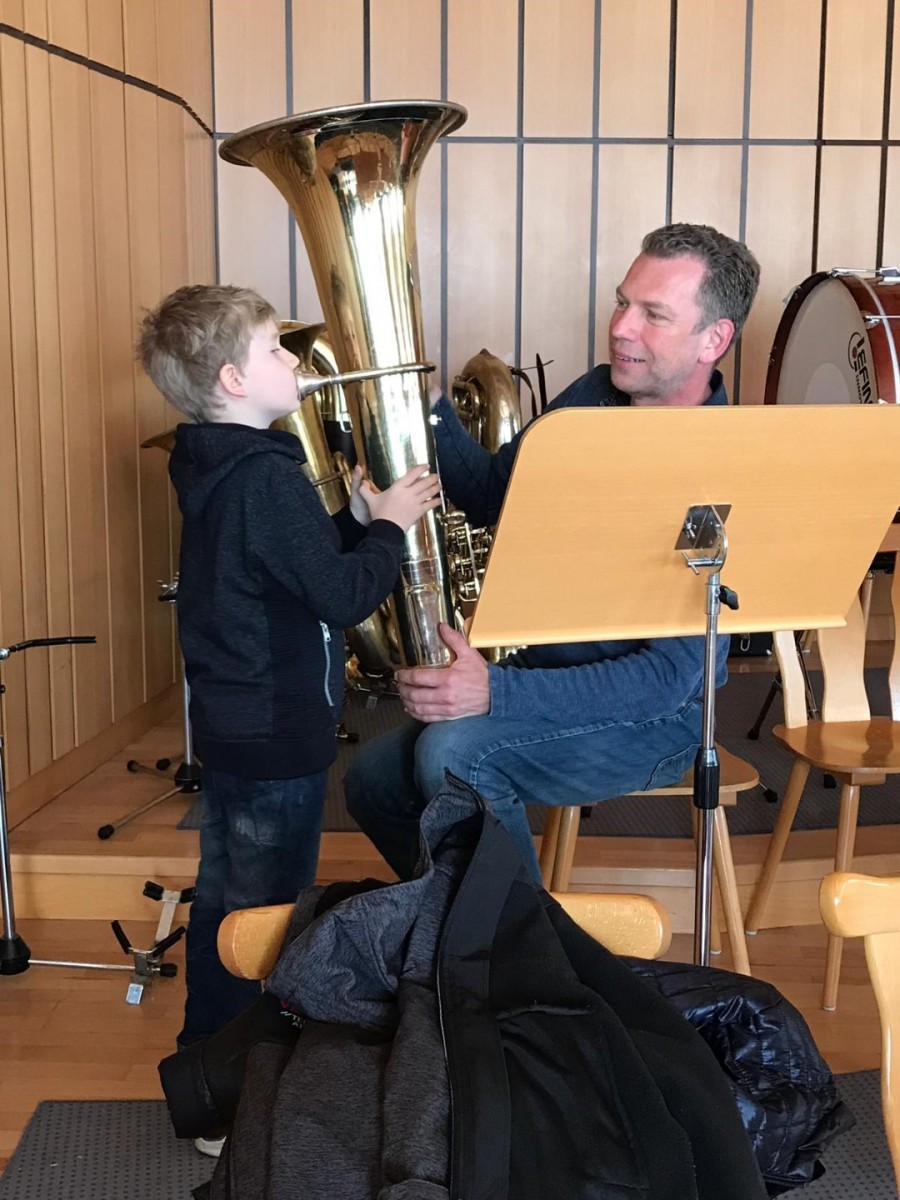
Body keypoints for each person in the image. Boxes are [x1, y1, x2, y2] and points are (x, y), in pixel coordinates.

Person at [345, 223, 761, 883]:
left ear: (714, 339)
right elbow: (492, 494)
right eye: (622, 302)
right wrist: (425, 405)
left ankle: (524, 945)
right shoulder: (596, 395)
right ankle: (467, 932)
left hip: (660, 722)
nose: (621, 327)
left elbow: (665, 682)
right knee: (370, 780)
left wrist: (495, 692)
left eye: (653, 314)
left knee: (452, 755)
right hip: (547, 682)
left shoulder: (723, 471)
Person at [136, 284, 441, 1063]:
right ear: (234, 380)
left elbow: (286, 567)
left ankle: (213, 1055)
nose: (294, 360)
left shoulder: (228, 468)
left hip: (242, 726)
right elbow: (340, 595)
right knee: (259, 908)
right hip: (273, 734)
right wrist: (392, 530)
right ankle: (228, 1067)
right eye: (276, 349)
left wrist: (356, 521)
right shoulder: (265, 479)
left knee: (231, 895)